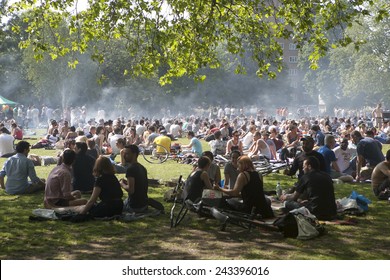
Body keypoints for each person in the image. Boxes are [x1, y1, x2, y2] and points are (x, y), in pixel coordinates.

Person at [281, 156, 337, 220]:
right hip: (332, 212)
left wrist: (285, 197)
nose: (303, 169)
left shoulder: (306, 177)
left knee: (287, 203)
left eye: (304, 167)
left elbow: (294, 197)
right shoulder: (327, 176)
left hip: (315, 212)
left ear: (309, 166)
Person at [120, 145, 149, 213]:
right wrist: (127, 183)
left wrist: (122, 184)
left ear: (134, 154)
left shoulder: (131, 169)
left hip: (134, 206)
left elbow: (131, 190)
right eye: (124, 153)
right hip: (144, 204)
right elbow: (138, 185)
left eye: (127, 153)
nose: (124, 156)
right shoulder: (142, 168)